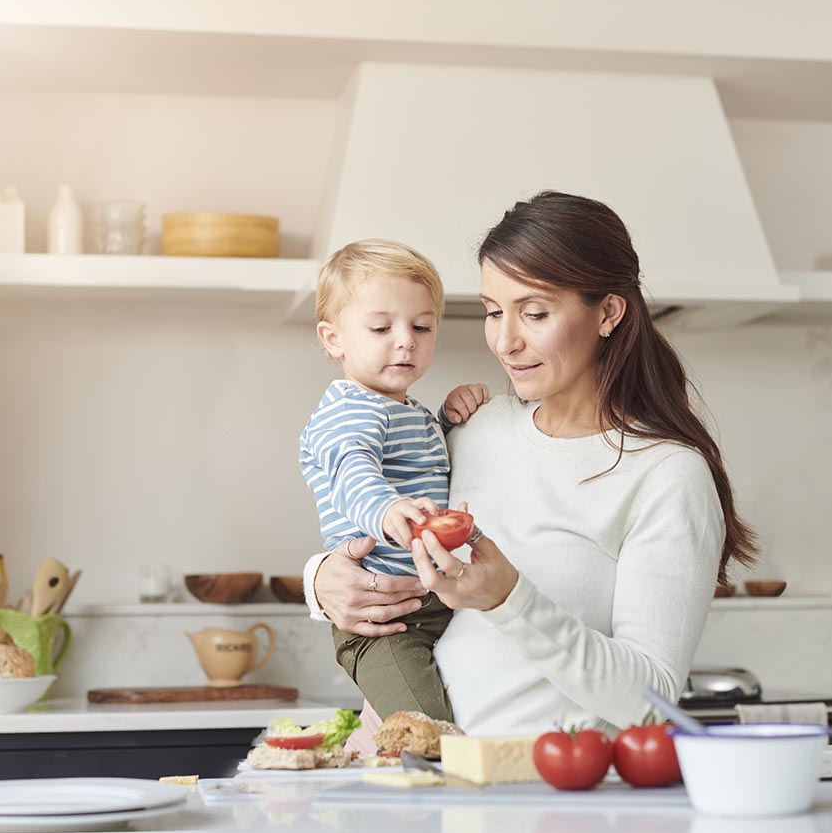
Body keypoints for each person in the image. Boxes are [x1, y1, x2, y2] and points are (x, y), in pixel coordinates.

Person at [303, 191, 758, 746]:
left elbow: (651, 703)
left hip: (546, 807)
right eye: (494, 312)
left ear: (608, 312)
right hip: (410, 789)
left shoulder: (667, 475)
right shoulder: (472, 429)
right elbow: (368, 509)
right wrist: (321, 580)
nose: (505, 340)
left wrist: (508, 598)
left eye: (535, 313)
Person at [298, 239, 489, 721]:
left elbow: (427, 464)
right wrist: (384, 510)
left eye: (422, 326)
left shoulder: (407, 410)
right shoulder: (349, 410)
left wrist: (448, 418)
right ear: (333, 338)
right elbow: (351, 468)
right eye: (382, 327)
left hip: (435, 601)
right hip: (382, 621)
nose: (406, 339)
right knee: (425, 732)